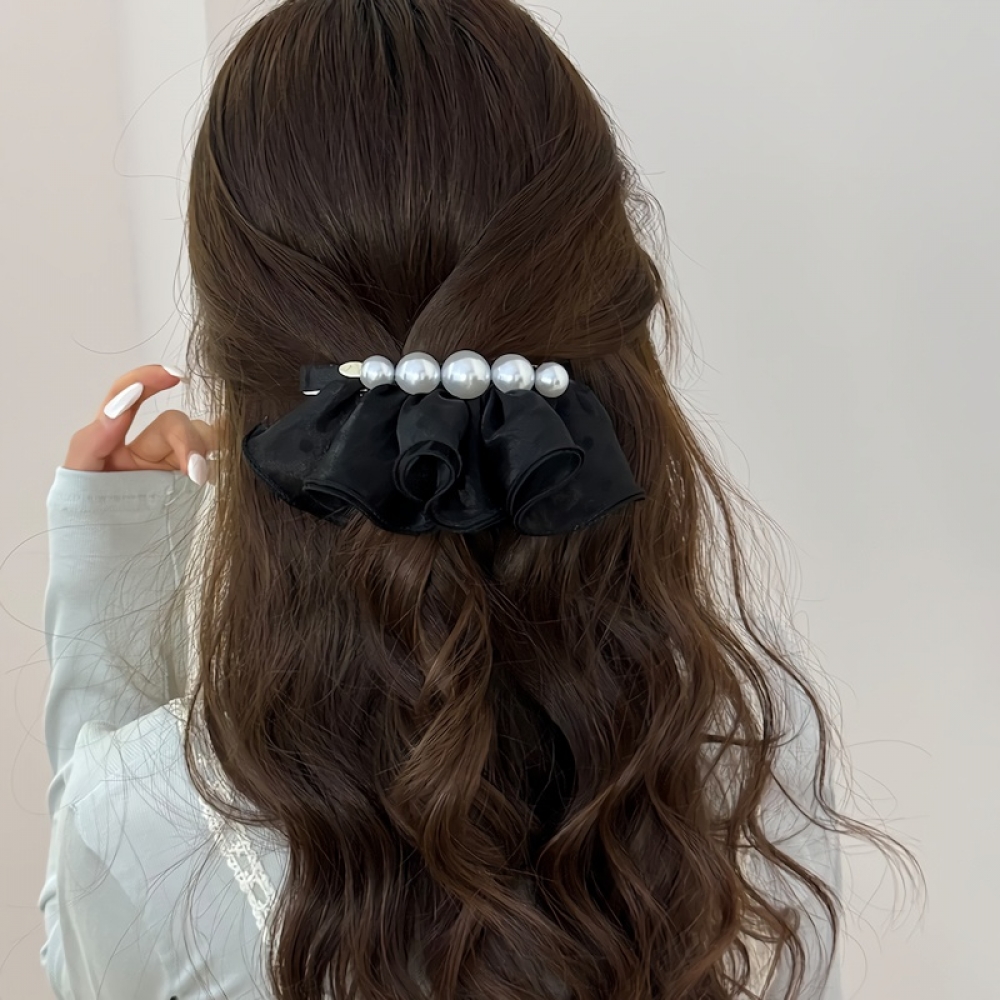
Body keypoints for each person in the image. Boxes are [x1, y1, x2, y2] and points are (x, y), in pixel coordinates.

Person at [37, 2, 919, 998]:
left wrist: (109, 577)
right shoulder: (740, 731)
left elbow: (84, 952)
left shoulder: (140, 819)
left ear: (242, 366)